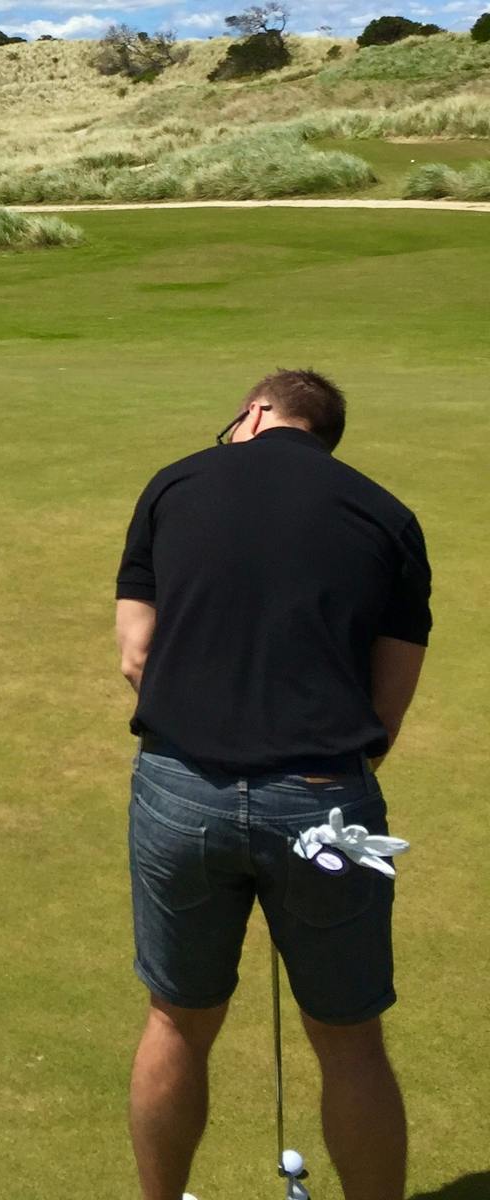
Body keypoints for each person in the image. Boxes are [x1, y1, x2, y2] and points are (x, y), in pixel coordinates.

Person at [113, 370, 432, 1200]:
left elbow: (135, 656)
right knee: (351, 1039)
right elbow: (387, 707)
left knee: (176, 1022)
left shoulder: (174, 484)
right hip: (327, 801)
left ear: (254, 413)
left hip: (181, 788)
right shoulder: (387, 515)